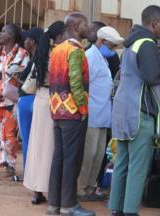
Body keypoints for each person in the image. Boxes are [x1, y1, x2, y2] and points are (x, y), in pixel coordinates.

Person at [109, 5, 160, 216]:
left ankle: (116, 209)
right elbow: (151, 76)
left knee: (122, 163)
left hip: (123, 109)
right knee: (138, 166)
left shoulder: (131, 43)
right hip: (139, 112)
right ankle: (130, 211)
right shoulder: (147, 43)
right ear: (155, 23)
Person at [46, 12, 94, 216]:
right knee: (72, 160)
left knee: (59, 158)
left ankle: (54, 204)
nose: (88, 28)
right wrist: (82, 108)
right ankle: (68, 205)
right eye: (85, 24)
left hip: (57, 111)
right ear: (75, 26)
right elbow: (75, 82)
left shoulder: (57, 50)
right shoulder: (75, 50)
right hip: (72, 112)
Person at [77, 26, 123, 201]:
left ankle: (89, 188)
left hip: (102, 115)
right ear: (102, 41)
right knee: (88, 155)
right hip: (91, 114)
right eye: (112, 46)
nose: (113, 50)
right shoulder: (89, 57)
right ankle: (80, 189)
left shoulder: (101, 58)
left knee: (97, 155)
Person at [23, 21, 65, 205]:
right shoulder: (59, 53)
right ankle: (51, 190)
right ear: (59, 36)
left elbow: (30, 82)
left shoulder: (41, 55)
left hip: (40, 100)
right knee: (50, 147)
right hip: (53, 100)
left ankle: (36, 191)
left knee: (37, 146)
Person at [0, 23, 29, 176]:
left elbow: (27, 76)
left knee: (10, 133)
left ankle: (10, 163)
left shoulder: (22, 54)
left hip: (11, 99)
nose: (0, 34)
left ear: (12, 35)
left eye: (3, 32)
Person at [17, 27, 43, 174]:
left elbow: (31, 83)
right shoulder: (42, 57)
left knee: (27, 138)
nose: (24, 41)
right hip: (38, 99)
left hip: (27, 99)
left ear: (32, 42)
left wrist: (17, 80)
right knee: (38, 139)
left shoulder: (34, 59)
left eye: (27, 39)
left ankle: (29, 172)